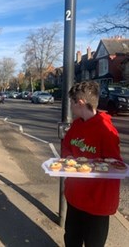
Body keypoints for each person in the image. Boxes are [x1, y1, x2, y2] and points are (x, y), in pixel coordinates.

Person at [61, 81, 123, 247]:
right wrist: (68, 158)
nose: (71, 108)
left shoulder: (106, 130)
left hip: (97, 201)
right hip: (75, 196)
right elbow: (66, 145)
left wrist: (97, 166)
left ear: (80, 103)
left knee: (93, 243)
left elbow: (116, 165)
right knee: (71, 239)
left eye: (71, 103)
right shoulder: (76, 125)